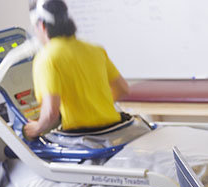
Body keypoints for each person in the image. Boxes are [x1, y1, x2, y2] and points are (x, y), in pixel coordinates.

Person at [24, 0, 132, 142]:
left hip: (83, 138)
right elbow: (123, 89)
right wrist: (95, 105)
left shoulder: (46, 57)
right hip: (115, 131)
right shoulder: (95, 50)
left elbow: (51, 113)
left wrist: (36, 128)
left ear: (42, 26)